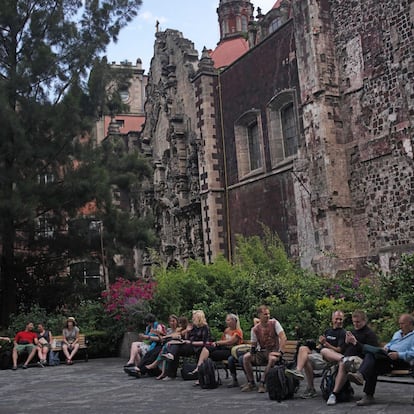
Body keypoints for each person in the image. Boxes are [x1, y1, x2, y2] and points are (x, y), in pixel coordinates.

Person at [347, 313, 414, 406]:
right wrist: (386, 348)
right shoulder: (398, 333)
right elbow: (390, 344)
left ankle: (360, 374)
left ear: (410, 324)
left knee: (372, 354)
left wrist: (399, 355)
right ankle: (368, 395)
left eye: (402, 324)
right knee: (372, 359)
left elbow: (412, 353)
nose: (400, 326)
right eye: (399, 323)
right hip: (388, 357)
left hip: (400, 360)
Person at [323, 309, 379, 406]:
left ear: (364, 321)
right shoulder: (353, 332)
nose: (355, 324)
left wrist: (355, 343)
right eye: (354, 322)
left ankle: (334, 394)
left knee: (344, 363)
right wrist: (346, 343)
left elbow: (372, 351)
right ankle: (335, 394)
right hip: (346, 358)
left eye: (358, 322)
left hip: (361, 360)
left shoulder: (369, 334)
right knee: (334, 357)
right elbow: (343, 349)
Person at [286, 310, 346, 398]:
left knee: (316, 354)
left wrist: (326, 344)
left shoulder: (343, 333)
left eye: (340, 319)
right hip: (321, 354)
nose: (338, 321)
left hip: (332, 358)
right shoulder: (328, 331)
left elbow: (339, 350)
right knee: (303, 349)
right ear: (332, 319)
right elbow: (320, 347)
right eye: (336, 319)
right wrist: (318, 344)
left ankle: (307, 384)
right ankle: (300, 373)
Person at [241, 305, 287, 393]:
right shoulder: (255, 329)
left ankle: (263, 382)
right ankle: (251, 382)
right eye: (265, 314)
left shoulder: (274, 323)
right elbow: (253, 345)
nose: (268, 316)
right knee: (245, 357)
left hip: (274, 351)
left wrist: (280, 351)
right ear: (260, 316)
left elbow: (283, 337)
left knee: (272, 359)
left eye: (268, 314)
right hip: (262, 352)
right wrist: (252, 353)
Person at [192, 313, 243, 385]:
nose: (226, 321)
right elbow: (222, 341)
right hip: (223, 349)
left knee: (208, 355)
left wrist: (217, 342)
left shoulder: (238, 331)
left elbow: (230, 342)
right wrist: (216, 343)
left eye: (228, 320)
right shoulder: (226, 330)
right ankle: (200, 370)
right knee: (206, 349)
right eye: (226, 320)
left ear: (234, 321)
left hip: (231, 351)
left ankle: (200, 370)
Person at [163, 309, 212, 380]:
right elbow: (187, 338)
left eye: (193, 317)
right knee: (174, 345)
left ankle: (171, 356)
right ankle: (171, 371)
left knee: (176, 346)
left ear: (198, 318)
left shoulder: (205, 328)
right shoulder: (193, 327)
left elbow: (206, 342)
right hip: (190, 345)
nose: (192, 318)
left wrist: (191, 342)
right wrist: (187, 332)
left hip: (198, 347)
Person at [144, 314, 188, 380]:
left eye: (174, 321)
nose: (172, 323)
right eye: (171, 321)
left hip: (178, 345)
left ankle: (158, 367)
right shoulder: (169, 330)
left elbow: (176, 336)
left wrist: (165, 337)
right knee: (165, 348)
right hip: (169, 345)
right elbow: (162, 340)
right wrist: (158, 334)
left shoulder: (179, 329)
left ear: (177, 322)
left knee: (166, 348)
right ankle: (162, 372)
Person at [123, 313, 166, 377]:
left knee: (137, 349)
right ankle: (136, 367)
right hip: (148, 343)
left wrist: (149, 336)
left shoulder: (158, 326)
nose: (148, 323)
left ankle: (136, 367)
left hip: (154, 344)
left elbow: (160, 337)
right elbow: (147, 338)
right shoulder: (148, 328)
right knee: (135, 347)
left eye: (148, 322)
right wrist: (144, 337)